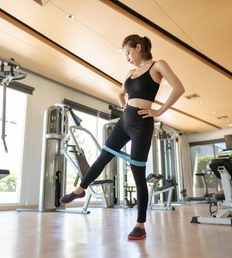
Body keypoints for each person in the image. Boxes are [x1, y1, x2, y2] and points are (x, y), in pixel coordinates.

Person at [60, 34, 185, 240]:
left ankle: (140, 225)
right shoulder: (130, 72)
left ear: (138, 47)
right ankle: (80, 189)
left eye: (128, 52)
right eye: (124, 54)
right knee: (103, 157)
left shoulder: (157, 65)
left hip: (142, 125)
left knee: (137, 174)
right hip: (123, 123)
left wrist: (159, 111)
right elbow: (120, 93)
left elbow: (179, 88)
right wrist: (122, 102)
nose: (127, 57)